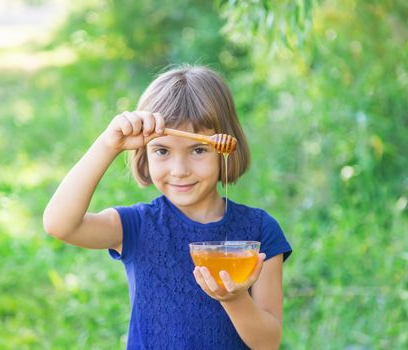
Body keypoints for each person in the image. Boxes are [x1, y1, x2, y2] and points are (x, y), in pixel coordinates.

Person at [43, 65, 292, 349]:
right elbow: (58, 224)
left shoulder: (259, 230)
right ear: (144, 154)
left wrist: (233, 299)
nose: (179, 170)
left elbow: (268, 342)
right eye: (162, 151)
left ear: (224, 148)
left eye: (198, 150)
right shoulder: (135, 226)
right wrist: (108, 144)